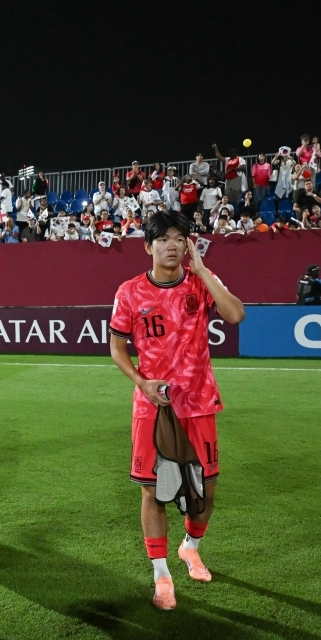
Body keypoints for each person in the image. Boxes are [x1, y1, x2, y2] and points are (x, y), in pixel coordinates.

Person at [108, 211, 246, 611]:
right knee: (154, 491)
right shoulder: (130, 292)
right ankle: (161, 575)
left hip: (199, 403)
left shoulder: (201, 284)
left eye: (180, 238)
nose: (173, 245)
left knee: (205, 492)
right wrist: (142, 382)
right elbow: (117, 348)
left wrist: (203, 273)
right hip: (154, 408)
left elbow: (236, 315)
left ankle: (191, 547)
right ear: (148, 246)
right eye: (164, 238)